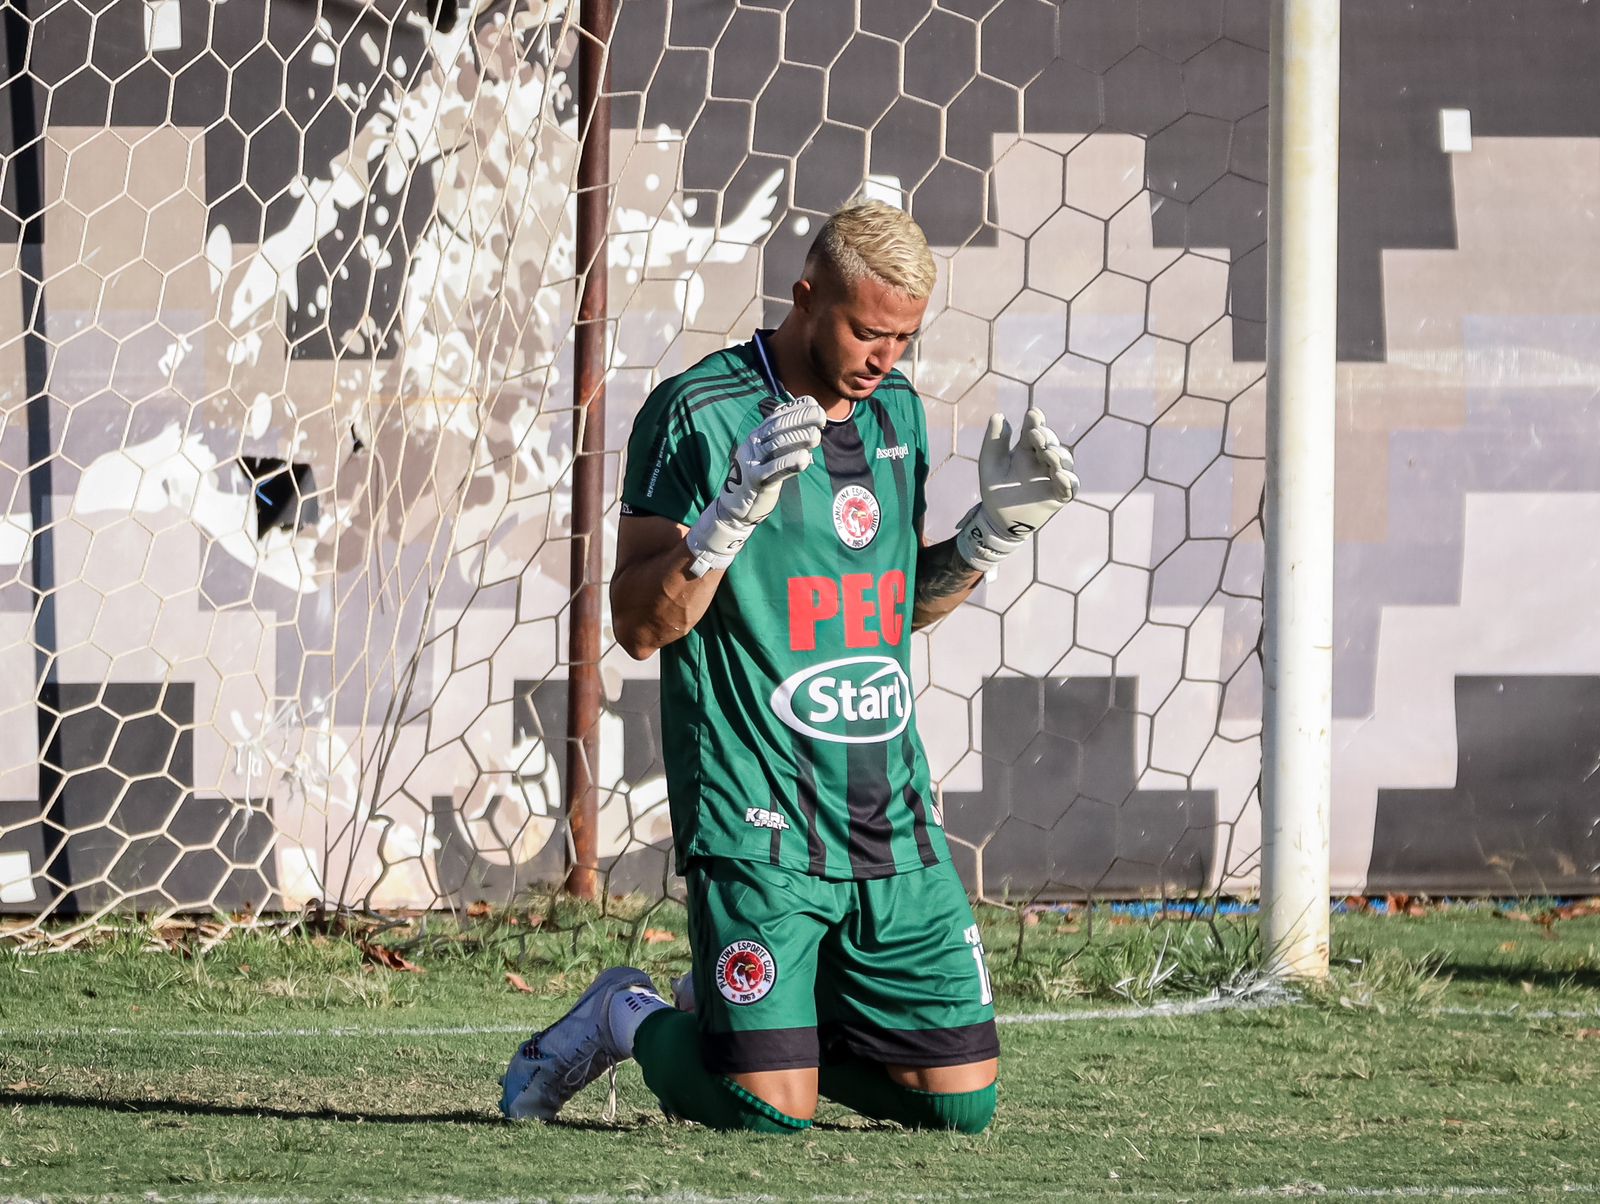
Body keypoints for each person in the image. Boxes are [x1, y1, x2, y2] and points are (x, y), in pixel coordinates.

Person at [498, 199, 1078, 1134]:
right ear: (806, 297)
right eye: (866, 330)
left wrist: (987, 537)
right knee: (766, 1116)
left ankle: (770, 1036)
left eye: (904, 337)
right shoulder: (697, 411)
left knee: (965, 1107)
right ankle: (626, 1013)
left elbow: (895, 610)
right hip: (757, 817)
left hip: (889, 816)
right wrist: (725, 521)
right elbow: (641, 627)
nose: (885, 357)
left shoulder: (898, 413)